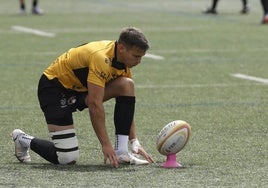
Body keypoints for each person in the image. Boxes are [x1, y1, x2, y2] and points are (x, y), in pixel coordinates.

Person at [11, 27, 155, 168]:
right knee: (67, 158)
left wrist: (134, 140)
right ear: (122, 48)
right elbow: (94, 104)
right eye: (136, 56)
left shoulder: (123, 63)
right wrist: (105, 144)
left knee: (126, 85)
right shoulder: (101, 57)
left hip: (80, 90)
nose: (139, 61)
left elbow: (126, 103)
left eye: (141, 57)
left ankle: (122, 152)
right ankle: (22, 139)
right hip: (54, 88)